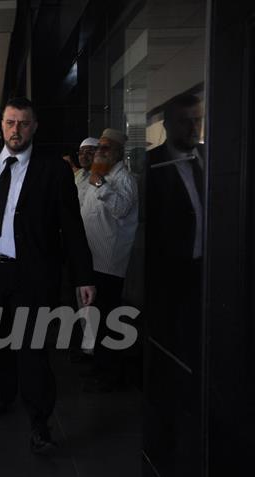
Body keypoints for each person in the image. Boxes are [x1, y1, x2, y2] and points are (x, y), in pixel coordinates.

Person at [0, 97, 95, 453]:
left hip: (31, 274)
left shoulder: (53, 168)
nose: (16, 130)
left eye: (24, 123)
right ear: (1, 126)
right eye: (10, 123)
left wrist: (83, 275)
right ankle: (6, 393)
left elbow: (71, 225)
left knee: (32, 350)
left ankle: (39, 422)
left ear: (35, 127)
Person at [146, 93, 204, 368]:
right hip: (169, 270)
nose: (194, 128)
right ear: (168, 125)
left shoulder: (212, 158)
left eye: (198, 120)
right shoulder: (151, 165)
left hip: (207, 267)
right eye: (185, 122)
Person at [79, 128, 138, 392]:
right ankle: (100, 366)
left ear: (117, 152)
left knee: (108, 319)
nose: (100, 151)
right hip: (92, 258)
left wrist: (101, 185)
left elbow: (120, 208)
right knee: (95, 317)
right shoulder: (99, 174)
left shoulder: (123, 178)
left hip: (109, 261)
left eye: (106, 147)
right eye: (99, 147)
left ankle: (112, 372)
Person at [76, 138, 98, 204]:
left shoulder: (106, 176)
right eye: (80, 152)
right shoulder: (78, 174)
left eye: (89, 153)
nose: (83, 156)